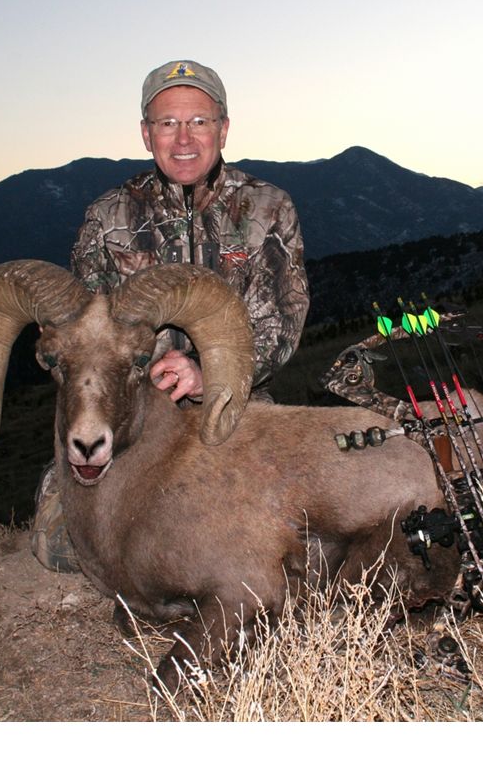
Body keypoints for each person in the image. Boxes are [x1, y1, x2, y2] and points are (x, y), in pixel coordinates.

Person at [31, 59, 310, 572]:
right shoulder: (109, 216)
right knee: (60, 546)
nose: (184, 139)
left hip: (230, 401)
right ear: (146, 134)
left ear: (223, 129)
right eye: (167, 123)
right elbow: (85, 335)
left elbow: (283, 319)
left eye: (199, 121)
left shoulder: (268, 208)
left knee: (257, 529)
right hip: (131, 411)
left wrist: (207, 373)